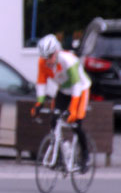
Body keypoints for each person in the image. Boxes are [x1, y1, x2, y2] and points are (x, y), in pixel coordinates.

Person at [31, 34, 91, 170]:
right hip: (64, 90)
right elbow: (41, 83)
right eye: (44, 58)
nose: (48, 61)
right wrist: (39, 103)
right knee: (54, 119)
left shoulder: (68, 61)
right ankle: (59, 155)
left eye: (50, 57)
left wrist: (73, 109)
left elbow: (76, 85)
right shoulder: (43, 62)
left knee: (76, 122)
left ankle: (85, 157)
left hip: (80, 89)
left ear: (57, 52)